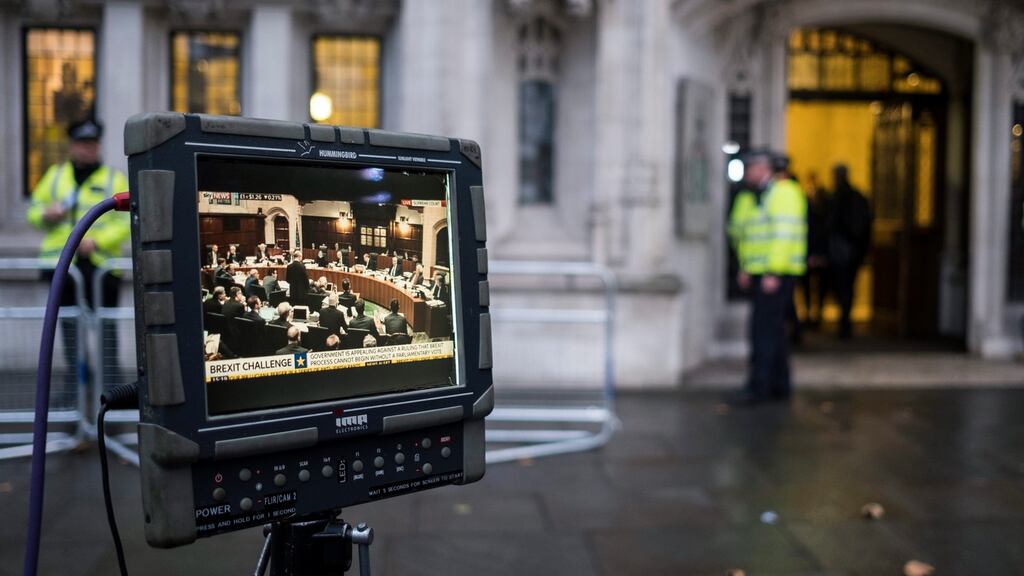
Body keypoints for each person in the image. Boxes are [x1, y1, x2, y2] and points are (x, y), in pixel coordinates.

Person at [27, 117, 130, 383]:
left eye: (92, 143)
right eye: (82, 144)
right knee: (69, 327)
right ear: (72, 146)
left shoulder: (112, 178)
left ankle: (111, 385)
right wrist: (46, 214)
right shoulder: (55, 176)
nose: (88, 149)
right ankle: (73, 385)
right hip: (63, 265)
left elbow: (126, 221)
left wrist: (97, 241)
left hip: (101, 265)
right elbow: (33, 212)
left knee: (107, 328)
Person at [727, 149, 807, 404]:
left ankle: (758, 387)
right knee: (772, 331)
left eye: (751, 167)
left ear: (764, 169)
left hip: (777, 272)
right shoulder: (752, 196)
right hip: (760, 271)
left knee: (762, 331)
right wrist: (745, 267)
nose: (747, 173)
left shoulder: (784, 193)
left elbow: (783, 236)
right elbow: (741, 233)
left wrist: (773, 271)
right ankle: (779, 385)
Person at [827, 164, 872, 339]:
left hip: (844, 249)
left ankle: (845, 322)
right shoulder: (856, 196)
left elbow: (832, 224)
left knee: (843, 286)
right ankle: (845, 321)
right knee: (847, 287)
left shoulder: (841, 197)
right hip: (852, 250)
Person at [802, 171, 830, 327]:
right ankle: (809, 313)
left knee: (820, 285)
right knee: (809, 285)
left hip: (818, 251)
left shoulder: (825, 210)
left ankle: (817, 313)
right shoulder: (807, 207)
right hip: (810, 251)